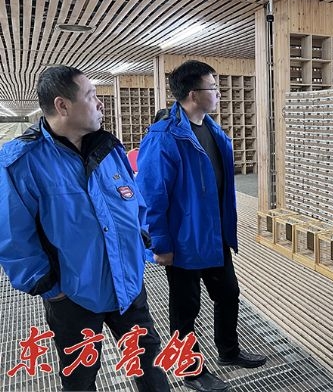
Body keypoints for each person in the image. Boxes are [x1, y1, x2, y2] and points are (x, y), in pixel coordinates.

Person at [0, 66, 170, 391]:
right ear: (62, 105)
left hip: (128, 283)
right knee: (80, 378)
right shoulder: (22, 161)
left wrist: (140, 241)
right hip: (73, 294)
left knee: (149, 363)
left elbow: (134, 201)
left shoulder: (109, 148)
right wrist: (50, 288)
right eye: (91, 96)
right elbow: (12, 236)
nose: (100, 103)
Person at [137, 60, 266, 392]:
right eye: (213, 87)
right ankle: (190, 370)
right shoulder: (164, 137)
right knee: (186, 308)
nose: (219, 93)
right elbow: (152, 195)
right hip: (183, 240)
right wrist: (160, 243)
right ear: (193, 94)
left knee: (229, 294)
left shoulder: (211, 128)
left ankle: (229, 351)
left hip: (214, 234)